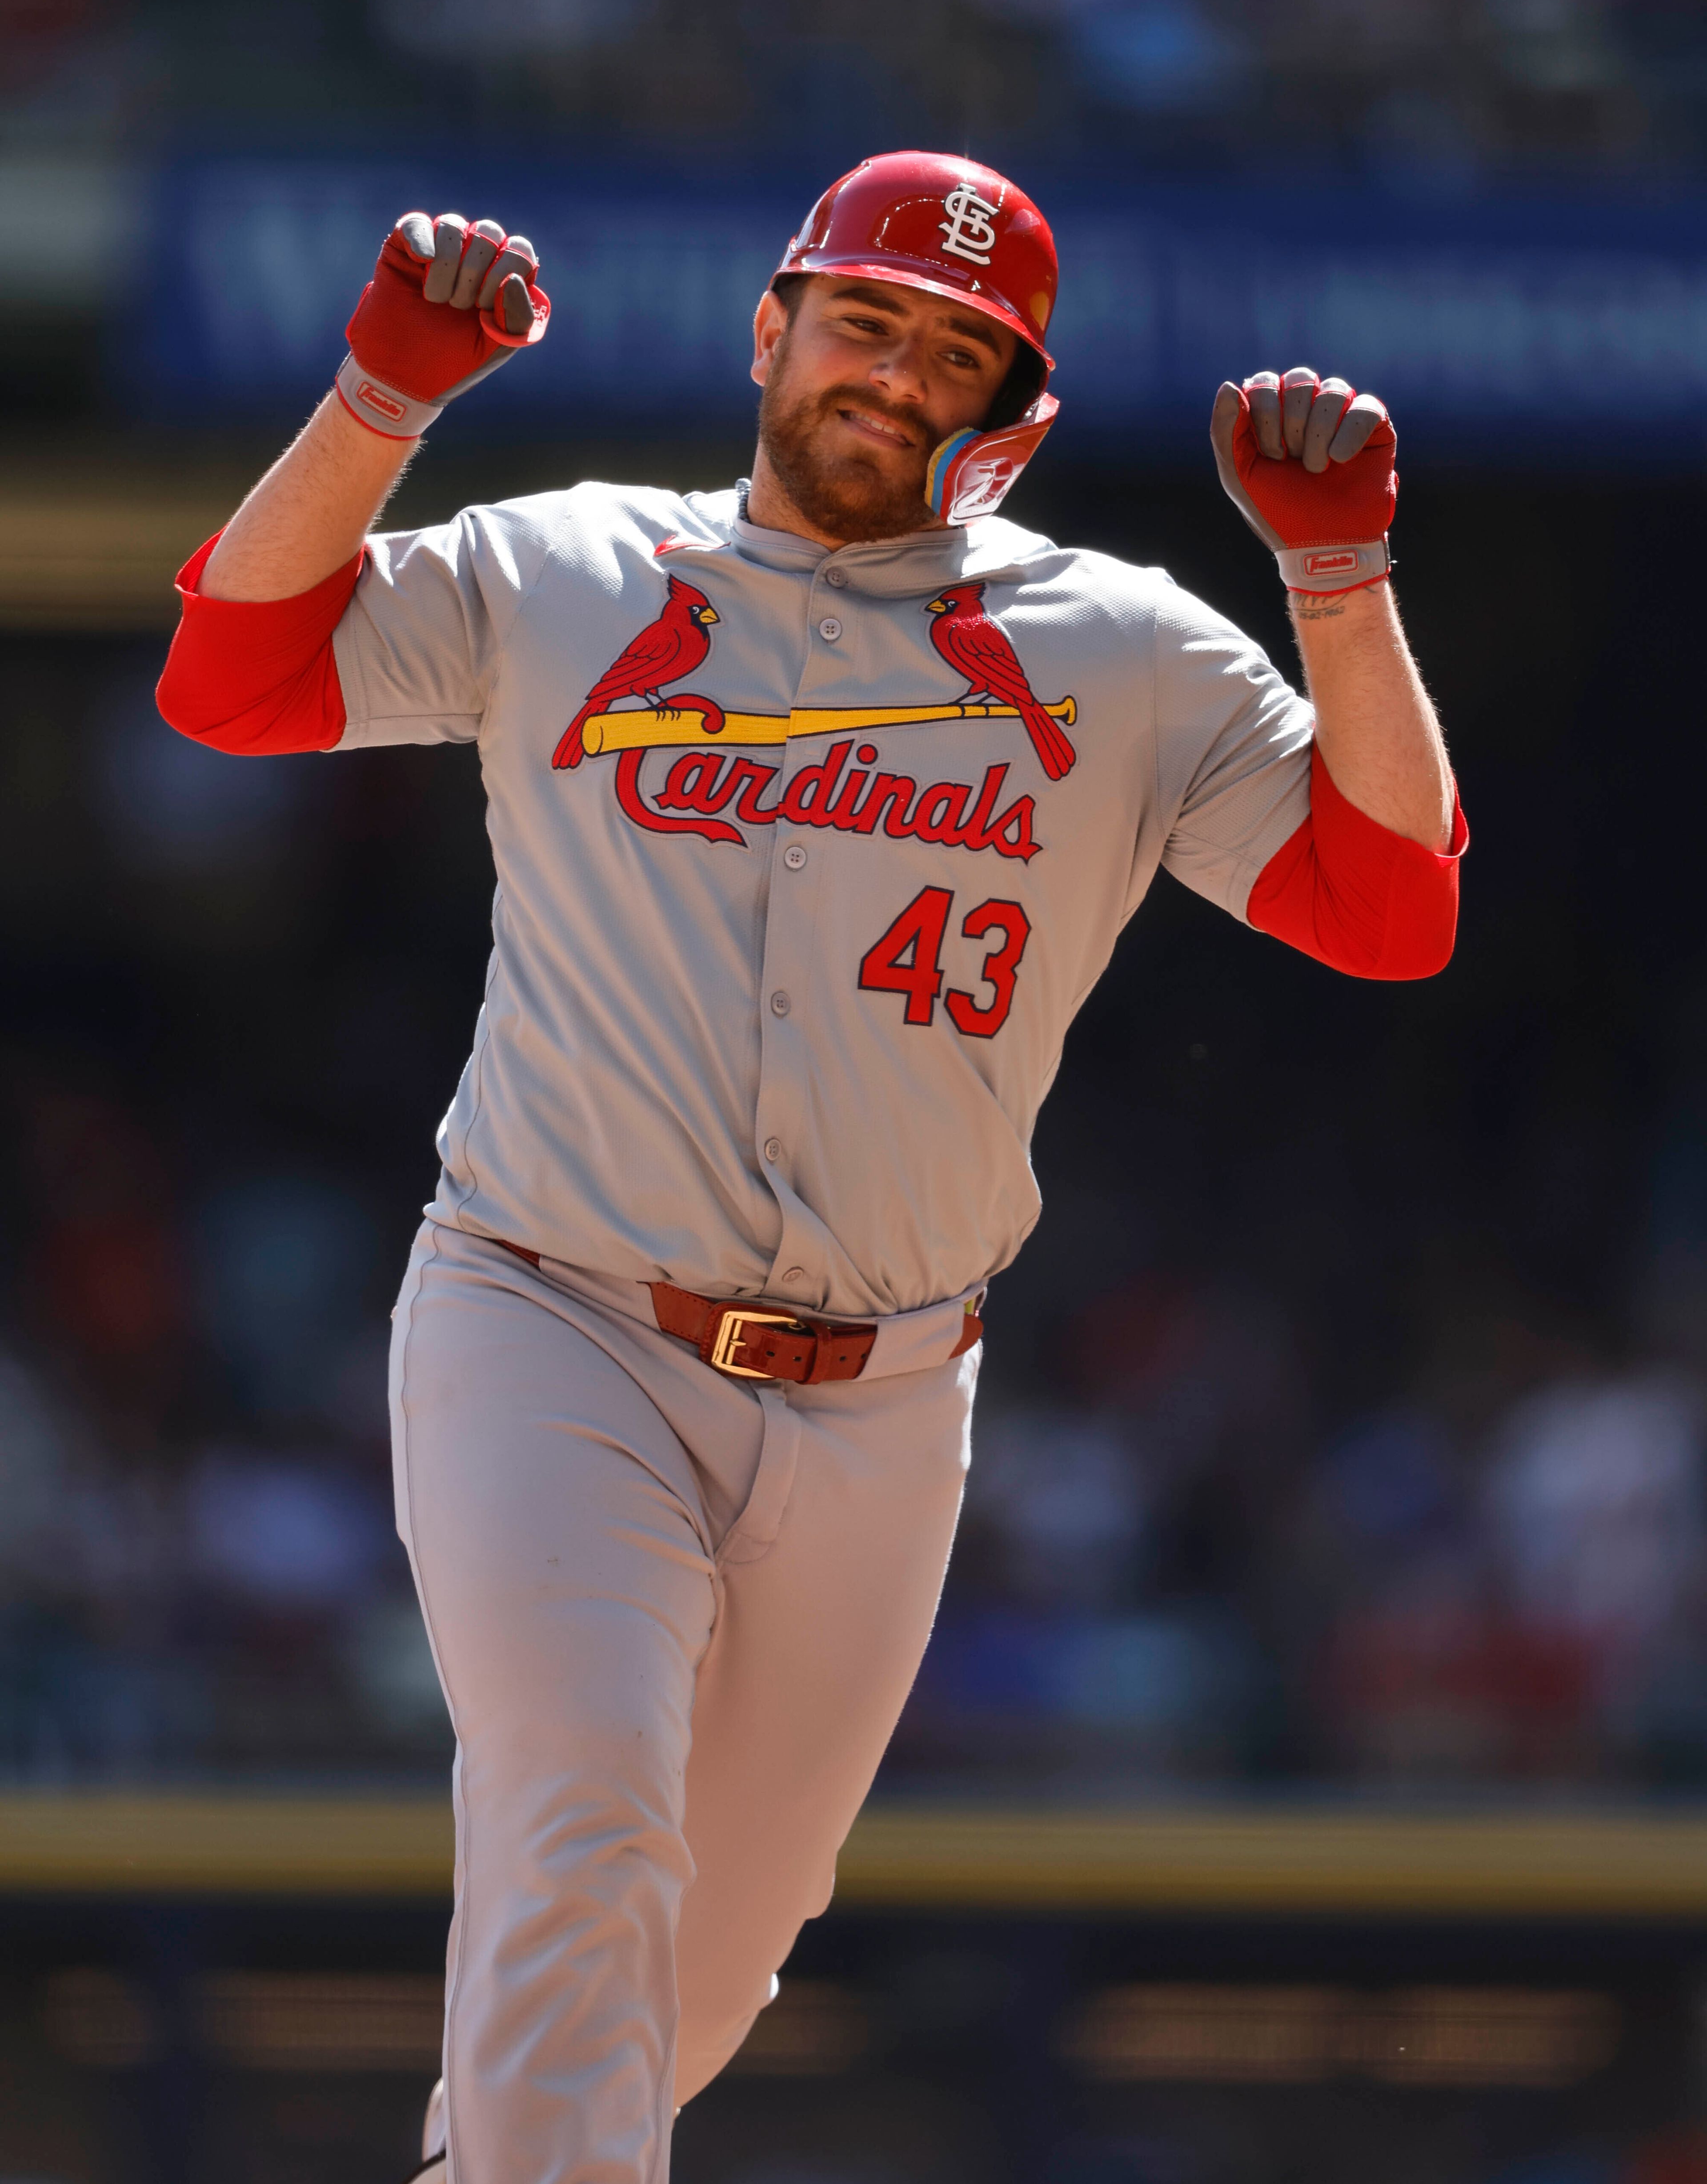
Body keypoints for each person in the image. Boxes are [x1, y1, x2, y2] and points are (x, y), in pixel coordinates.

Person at [156, 152, 1465, 2184]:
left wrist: (1343, 587)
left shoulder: (1118, 645)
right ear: (772, 330)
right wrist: (378, 403)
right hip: (551, 1316)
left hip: (883, 1394)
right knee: (583, 1818)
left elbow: (1387, 906)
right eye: (865, 318)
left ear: (1007, 408)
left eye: (956, 348)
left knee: (707, 1960)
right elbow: (229, 680)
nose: (897, 370)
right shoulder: (577, 566)